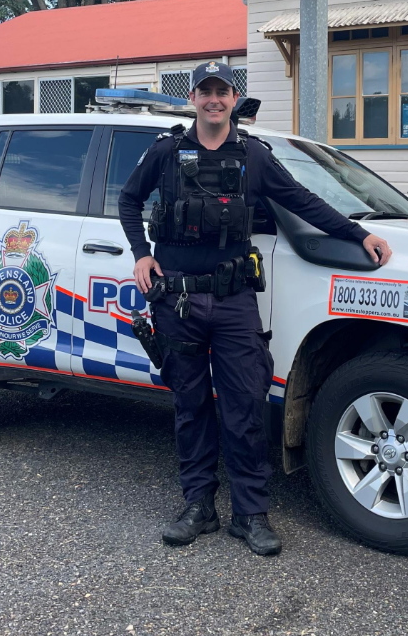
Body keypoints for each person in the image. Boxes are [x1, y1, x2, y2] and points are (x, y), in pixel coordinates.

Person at [118, 60, 392, 556]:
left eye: (222, 92)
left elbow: (304, 201)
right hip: (175, 300)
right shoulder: (165, 152)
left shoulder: (255, 158)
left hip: (234, 302)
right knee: (190, 407)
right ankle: (198, 506)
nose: (214, 100)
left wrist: (360, 233)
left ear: (233, 97)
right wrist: (141, 253)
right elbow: (127, 200)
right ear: (192, 97)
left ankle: (250, 514)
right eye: (205, 92)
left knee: (244, 408)